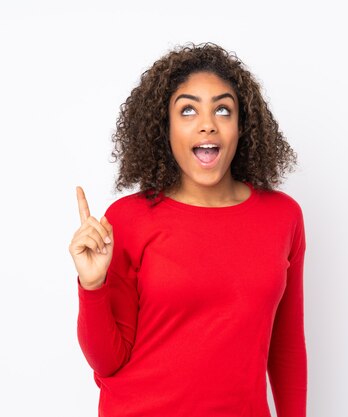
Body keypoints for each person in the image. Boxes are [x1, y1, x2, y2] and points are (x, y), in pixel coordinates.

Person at [69, 42, 307, 417]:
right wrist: (92, 286)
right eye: (188, 110)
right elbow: (107, 362)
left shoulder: (282, 217)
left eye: (223, 109)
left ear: (241, 126)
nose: (207, 123)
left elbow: (287, 345)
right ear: (166, 128)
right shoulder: (129, 218)